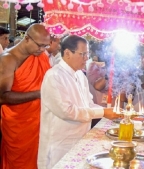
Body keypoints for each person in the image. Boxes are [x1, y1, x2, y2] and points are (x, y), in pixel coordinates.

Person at [38, 35, 120, 169]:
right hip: (60, 145)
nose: (86, 58)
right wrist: (103, 112)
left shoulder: (80, 75)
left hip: (80, 140)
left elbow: (88, 103)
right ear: (67, 53)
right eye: (83, 54)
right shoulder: (54, 76)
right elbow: (67, 111)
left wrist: (106, 112)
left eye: (87, 54)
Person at [0, 23, 51, 169]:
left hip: (41, 121)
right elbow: (3, 97)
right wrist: (39, 94)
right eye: (40, 45)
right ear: (27, 38)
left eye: (45, 46)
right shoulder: (8, 59)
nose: (42, 50)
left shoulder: (40, 56)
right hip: (19, 124)